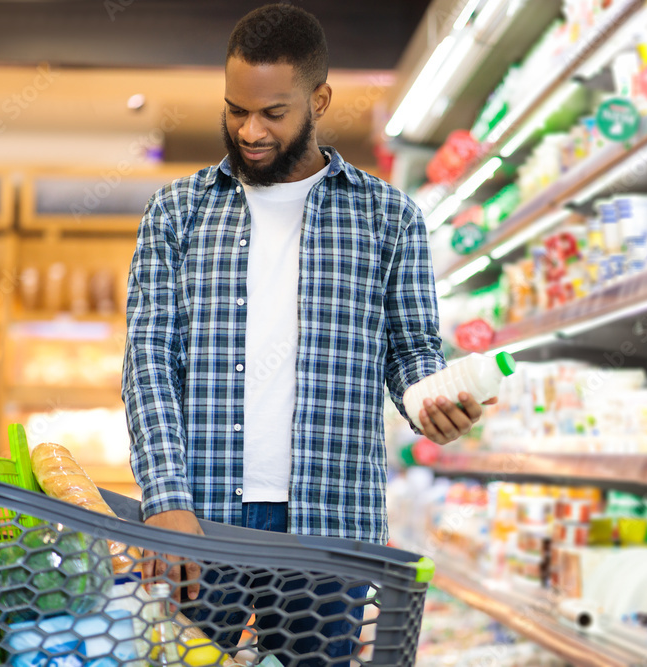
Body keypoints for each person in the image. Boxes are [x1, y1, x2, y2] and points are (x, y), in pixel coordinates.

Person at [122, 4, 494, 664]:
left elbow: (411, 348)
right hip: (202, 519)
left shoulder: (389, 217)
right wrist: (164, 501)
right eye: (236, 109)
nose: (250, 130)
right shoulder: (177, 211)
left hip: (333, 522)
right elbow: (149, 358)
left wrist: (431, 401)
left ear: (318, 99)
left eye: (273, 112)